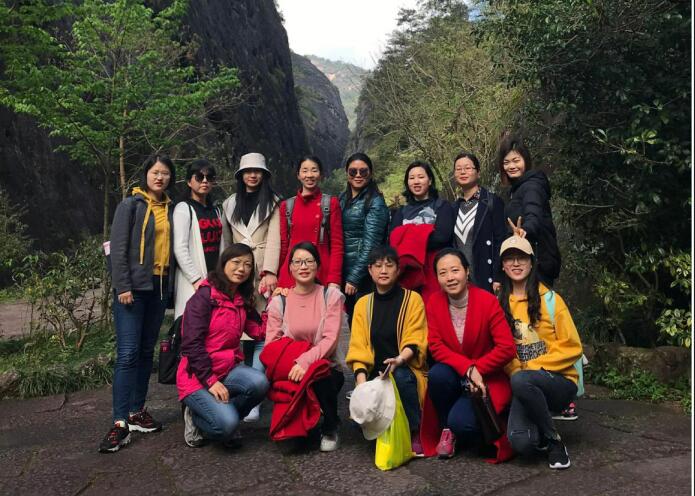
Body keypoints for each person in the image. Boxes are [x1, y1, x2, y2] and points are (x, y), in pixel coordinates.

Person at [100, 154, 176, 453]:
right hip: (132, 290)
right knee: (128, 353)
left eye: (165, 173)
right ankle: (119, 422)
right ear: (146, 175)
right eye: (155, 172)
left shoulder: (171, 209)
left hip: (159, 289)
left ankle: (136, 411)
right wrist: (122, 286)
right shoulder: (130, 206)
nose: (160, 177)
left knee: (146, 352)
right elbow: (117, 248)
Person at [420, 248, 516, 462]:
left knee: (463, 423)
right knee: (437, 375)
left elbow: (507, 347)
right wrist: (469, 368)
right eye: (443, 273)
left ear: (467, 271)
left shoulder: (487, 301)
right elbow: (435, 346)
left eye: (455, 270)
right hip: (457, 372)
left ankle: (466, 427)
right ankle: (447, 429)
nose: (450, 277)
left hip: (488, 376)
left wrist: (479, 369)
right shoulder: (434, 302)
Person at [497, 236, 582, 469]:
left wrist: (531, 368)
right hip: (522, 383)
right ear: (502, 265)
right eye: (510, 259)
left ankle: (554, 441)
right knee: (521, 443)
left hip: (558, 381)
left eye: (522, 258)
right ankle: (541, 431)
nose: (516, 263)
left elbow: (573, 346)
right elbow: (501, 349)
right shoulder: (498, 303)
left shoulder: (552, 300)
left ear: (531, 262)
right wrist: (518, 371)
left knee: (522, 380)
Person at [177, 244, 269, 448]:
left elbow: (259, 331)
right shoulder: (203, 298)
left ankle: (221, 414)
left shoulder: (240, 299)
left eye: (247, 265)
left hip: (227, 370)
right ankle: (196, 417)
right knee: (227, 426)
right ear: (224, 263)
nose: (241, 269)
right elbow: (191, 344)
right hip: (198, 376)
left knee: (260, 383)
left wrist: (276, 303)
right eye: (236, 262)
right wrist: (210, 381)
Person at [346, 246, 428, 455]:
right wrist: (361, 386)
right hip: (375, 372)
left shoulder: (412, 299)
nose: (383, 270)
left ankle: (415, 429)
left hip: (404, 368)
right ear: (370, 270)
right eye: (378, 265)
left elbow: (415, 339)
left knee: (400, 377)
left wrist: (399, 360)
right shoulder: (363, 304)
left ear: (398, 270)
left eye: (389, 265)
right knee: (358, 421)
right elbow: (358, 346)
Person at [264, 241, 346, 451]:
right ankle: (303, 420)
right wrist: (295, 364)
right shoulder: (279, 302)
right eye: (298, 262)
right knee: (291, 445)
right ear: (290, 268)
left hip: (324, 368)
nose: (303, 266)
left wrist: (306, 361)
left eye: (309, 261)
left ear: (318, 266)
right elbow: (271, 345)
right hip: (291, 371)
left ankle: (330, 426)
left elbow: (330, 339)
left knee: (321, 376)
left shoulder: (330, 296)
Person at [222, 152, 281, 422]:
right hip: (237, 274)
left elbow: (275, 239)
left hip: (262, 275)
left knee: (260, 332)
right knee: (237, 331)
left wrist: (270, 272)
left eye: (257, 171)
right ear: (241, 175)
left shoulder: (274, 202)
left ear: (264, 175)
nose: (253, 175)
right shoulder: (229, 204)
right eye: (248, 171)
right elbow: (226, 243)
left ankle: (254, 396)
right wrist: (226, 276)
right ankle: (241, 389)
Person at [496, 135, 561, 287]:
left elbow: (533, 214)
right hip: (526, 259)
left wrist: (524, 230)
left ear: (526, 160)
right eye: (506, 162)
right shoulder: (517, 189)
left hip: (537, 262)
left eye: (516, 160)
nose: (511, 166)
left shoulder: (532, 186)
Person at [389, 161, 455, 301]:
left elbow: (442, 237)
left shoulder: (442, 206)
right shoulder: (401, 211)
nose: (416, 182)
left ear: (429, 180)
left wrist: (407, 234)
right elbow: (393, 239)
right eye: (412, 178)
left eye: (421, 177)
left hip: (435, 270)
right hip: (407, 273)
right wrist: (426, 230)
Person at [277, 156, 343, 290]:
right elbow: (284, 245)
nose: (309, 175)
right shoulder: (287, 206)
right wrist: (273, 274)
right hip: (291, 273)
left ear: (321, 175)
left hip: (321, 271)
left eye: (314, 170)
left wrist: (334, 279)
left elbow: (337, 245)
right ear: (298, 175)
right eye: (305, 171)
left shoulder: (330, 203)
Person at [339, 153, 389, 318]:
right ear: (347, 173)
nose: (358, 175)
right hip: (344, 271)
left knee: (364, 321)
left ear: (371, 173)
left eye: (363, 171)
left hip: (363, 277)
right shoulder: (343, 198)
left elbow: (372, 244)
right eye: (353, 171)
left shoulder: (375, 202)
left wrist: (354, 277)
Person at [173, 159, 223, 319]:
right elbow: (179, 248)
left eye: (209, 177)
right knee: (192, 322)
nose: (205, 181)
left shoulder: (216, 210)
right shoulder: (183, 208)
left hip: (215, 278)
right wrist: (196, 279)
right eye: (199, 177)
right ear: (189, 182)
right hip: (192, 280)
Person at [452, 151, 507, 294]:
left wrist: (498, 276)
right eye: (458, 169)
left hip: (486, 276)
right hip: (461, 280)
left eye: (468, 168)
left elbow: (500, 240)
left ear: (478, 173)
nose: (463, 172)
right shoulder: (454, 207)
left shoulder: (491, 202)